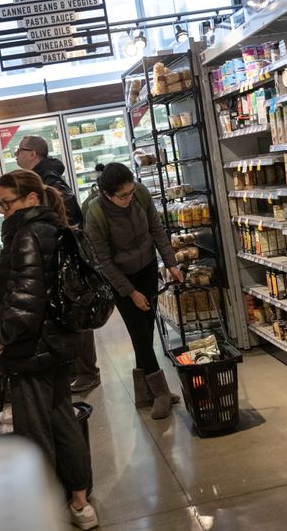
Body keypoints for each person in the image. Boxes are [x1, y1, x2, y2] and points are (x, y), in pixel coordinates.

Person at [0, 169, 98, 530]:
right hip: (59, 343)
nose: (4, 211)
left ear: (31, 199)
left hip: (30, 349)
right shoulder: (54, 228)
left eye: (8, 203)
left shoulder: (25, 235)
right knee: (63, 421)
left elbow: (25, 299)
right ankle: (81, 505)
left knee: (34, 433)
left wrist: (2, 337)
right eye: (0, 204)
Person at [84, 162, 183, 420]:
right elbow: (103, 262)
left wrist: (170, 262)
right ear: (106, 193)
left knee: (146, 329)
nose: (129, 198)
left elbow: (156, 229)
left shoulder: (140, 194)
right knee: (139, 333)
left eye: (130, 192)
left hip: (147, 268)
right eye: (122, 195)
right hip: (119, 278)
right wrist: (130, 293)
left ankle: (143, 393)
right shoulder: (95, 215)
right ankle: (160, 393)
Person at [14, 135, 100, 394]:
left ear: (34, 154)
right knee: (66, 312)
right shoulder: (42, 179)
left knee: (75, 311)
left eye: (20, 150)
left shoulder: (49, 181)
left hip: (64, 258)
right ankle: (78, 369)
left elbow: (69, 217)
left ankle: (87, 371)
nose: (16, 155)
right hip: (58, 256)